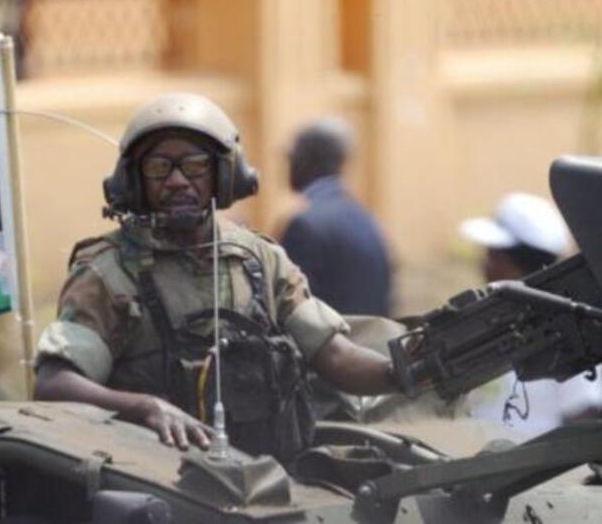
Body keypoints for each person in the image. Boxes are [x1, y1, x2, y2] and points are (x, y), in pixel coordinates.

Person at [35, 93, 399, 462]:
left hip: (267, 480)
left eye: (195, 167)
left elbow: (334, 355)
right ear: (134, 181)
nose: (177, 181)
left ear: (224, 175)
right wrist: (144, 408)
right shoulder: (108, 272)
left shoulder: (260, 260)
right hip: (152, 480)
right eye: (159, 168)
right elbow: (54, 383)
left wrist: (401, 371)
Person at [461, 192, 602, 436]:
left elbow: (582, 421)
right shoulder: (492, 321)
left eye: (495, 255)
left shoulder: (569, 333)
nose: (485, 264)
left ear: (521, 263)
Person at [280, 118, 392, 316]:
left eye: (291, 158)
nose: (287, 167)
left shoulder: (304, 226)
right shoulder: (366, 219)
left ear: (308, 160)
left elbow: (289, 311)